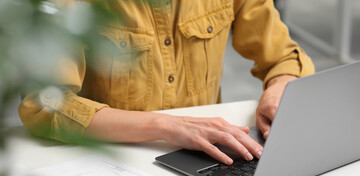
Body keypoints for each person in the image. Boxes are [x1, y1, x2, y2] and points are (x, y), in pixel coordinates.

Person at [18, 0, 315, 165]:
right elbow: (45, 106)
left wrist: (278, 90)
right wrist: (167, 127)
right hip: (114, 160)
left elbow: (284, 58)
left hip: (208, 158)